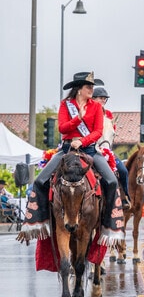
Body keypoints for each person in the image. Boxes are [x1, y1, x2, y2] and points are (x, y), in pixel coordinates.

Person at [17, 72, 124, 244]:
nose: (91, 90)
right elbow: (62, 128)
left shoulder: (96, 107)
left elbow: (97, 131)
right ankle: (41, 221)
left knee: (111, 181)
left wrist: (82, 141)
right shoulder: (65, 105)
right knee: (40, 180)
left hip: (89, 150)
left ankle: (108, 225)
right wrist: (78, 118)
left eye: (92, 87)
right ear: (79, 89)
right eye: (88, 87)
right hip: (66, 149)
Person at [92, 85, 131, 211]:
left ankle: (125, 197)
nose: (103, 100)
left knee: (123, 171)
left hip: (107, 149)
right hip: (92, 147)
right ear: (93, 98)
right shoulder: (89, 112)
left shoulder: (108, 114)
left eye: (105, 99)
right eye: (101, 98)